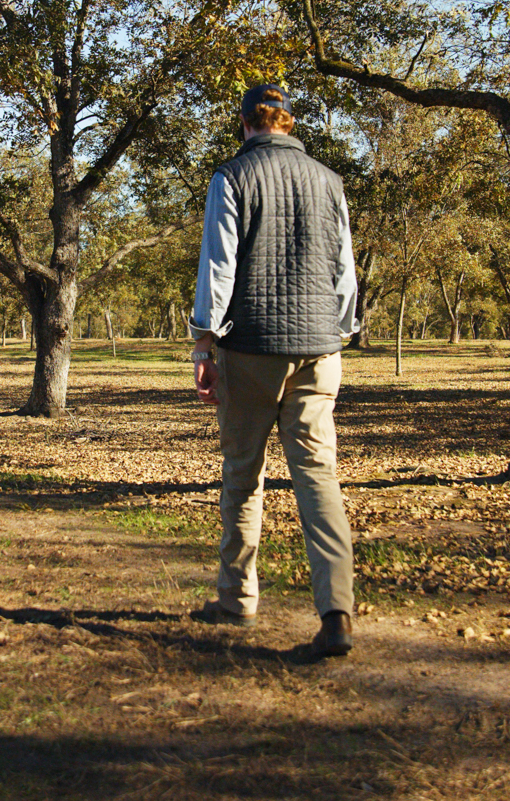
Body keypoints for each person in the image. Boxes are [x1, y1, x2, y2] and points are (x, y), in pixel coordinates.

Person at [188, 82, 359, 657]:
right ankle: (336, 614)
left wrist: (203, 345)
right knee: (318, 476)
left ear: (245, 125)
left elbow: (220, 266)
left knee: (243, 475)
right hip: (319, 348)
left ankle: (237, 600)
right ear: (289, 124)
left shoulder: (231, 177)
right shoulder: (329, 181)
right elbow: (343, 273)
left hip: (251, 349)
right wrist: (339, 331)